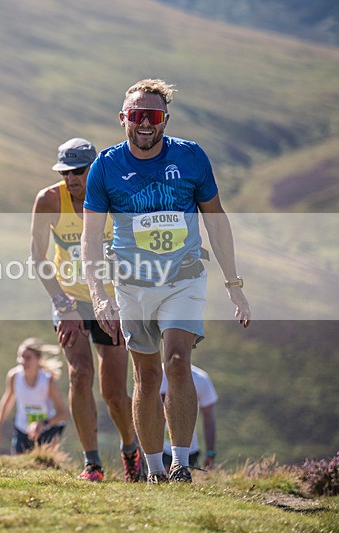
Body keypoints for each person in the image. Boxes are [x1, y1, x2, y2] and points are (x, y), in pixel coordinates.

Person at [81, 79, 250, 484]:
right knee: (146, 375)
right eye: (137, 116)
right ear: (123, 118)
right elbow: (90, 239)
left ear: (165, 120)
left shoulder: (191, 157)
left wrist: (234, 283)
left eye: (153, 117)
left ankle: (180, 465)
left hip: (183, 279)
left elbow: (216, 220)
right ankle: (154, 469)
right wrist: (99, 297)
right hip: (132, 284)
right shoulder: (106, 165)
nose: (144, 124)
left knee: (176, 361)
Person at [29, 138, 144, 482]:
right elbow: (37, 257)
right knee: (80, 374)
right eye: (66, 172)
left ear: (93, 169)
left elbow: (135, 254)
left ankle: (130, 450)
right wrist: (62, 305)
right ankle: (92, 464)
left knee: (114, 392)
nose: (72, 179)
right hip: (72, 301)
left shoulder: (115, 197)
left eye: (79, 171)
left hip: (113, 300)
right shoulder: (49, 200)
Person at [0, 338, 68, 454]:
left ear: (38, 359)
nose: (22, 361)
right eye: (21, 356)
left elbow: (62, 414)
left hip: (46, 430)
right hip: (22, 429)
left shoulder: (48, 380)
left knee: (45, 466)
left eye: (28, 358)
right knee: (19, 467)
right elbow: (7, 402)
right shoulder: (14, 377)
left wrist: (42, 423)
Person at [160, 364, 218, 471]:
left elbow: (208, 417)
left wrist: (210, 452)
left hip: (189, 449)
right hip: (159, 448)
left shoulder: (201, 379)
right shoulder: (155, 374)